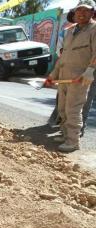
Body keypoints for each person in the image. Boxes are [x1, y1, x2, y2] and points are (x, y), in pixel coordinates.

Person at [46, 0, 96, 152]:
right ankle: (65, 134)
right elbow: (64, 56)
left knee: (73, 110)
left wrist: (90, 70)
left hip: (79, 79)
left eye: (85, 10)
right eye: (79, 10)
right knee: (62, 108)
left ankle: (73, 141)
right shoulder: (70, 31)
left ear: (92, 12)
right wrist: (53, 74)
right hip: (64, 77)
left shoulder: (94, 29)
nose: (81, 13)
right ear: (74, 13)